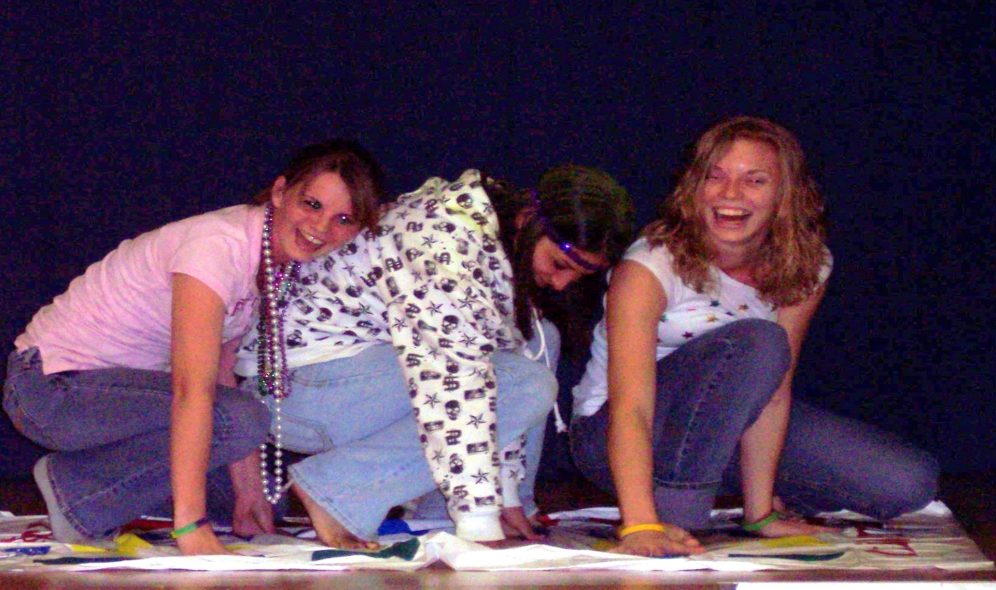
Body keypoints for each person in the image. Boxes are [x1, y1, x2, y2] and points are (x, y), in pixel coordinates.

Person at [570, 116, 939, 557]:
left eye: (755, 180)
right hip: (618, 434)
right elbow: (630, 406)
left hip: (727, 430)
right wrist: (640, 524)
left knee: (906, 482)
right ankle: (678, 507)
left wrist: (759, 512)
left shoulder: (806, 264)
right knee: (758, 342)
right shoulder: (649, 267)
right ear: (693, 187)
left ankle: (728, 495)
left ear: (786, 194)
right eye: (715, 176)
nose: (731, 194)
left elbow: (774, 394)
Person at [2, 139, 384, 555]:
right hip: (49, 389)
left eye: (343, 218)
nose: (321, 227)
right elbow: (193, 391)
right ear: (279, 192)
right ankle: (77, 489)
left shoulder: (271, 262)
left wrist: (249, 492)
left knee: (259, 496)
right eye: (312, 204)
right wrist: (190, 527)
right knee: (239, 420)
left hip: (114, 400)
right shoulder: (218, 246)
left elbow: (221, 373)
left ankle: (84, 484)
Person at [235, 165, 635, 548]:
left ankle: (437, 514)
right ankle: (336, 490)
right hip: (291, 391)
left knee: (539, 339)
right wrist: (480, 526)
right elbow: (455, 384)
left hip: (334, 377)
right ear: (528, 219)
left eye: (578, 276)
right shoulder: (444, 246)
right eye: (560, 264)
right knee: (524, 385)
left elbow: (500, 358)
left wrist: (506, 495)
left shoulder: (486, 232)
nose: (562, 284)